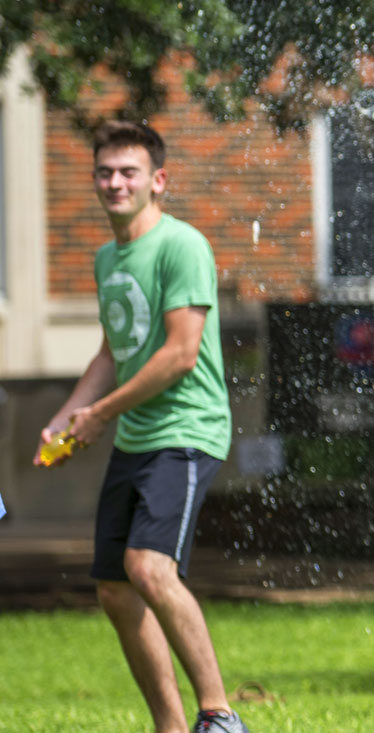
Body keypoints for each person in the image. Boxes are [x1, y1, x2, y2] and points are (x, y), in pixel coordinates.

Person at [35, 121, 248, 733]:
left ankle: (220, 716)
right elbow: (113, 350)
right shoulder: (108, 257)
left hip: (186, 429)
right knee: (115, 589)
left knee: (150, 568)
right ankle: (171, 727)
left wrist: (102, 414)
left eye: (128, 172)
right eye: (104, 172)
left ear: (158, 181)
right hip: (135, 435)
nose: (114, 182)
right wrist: (65, 416)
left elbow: (181, 352)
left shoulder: (183, 246)